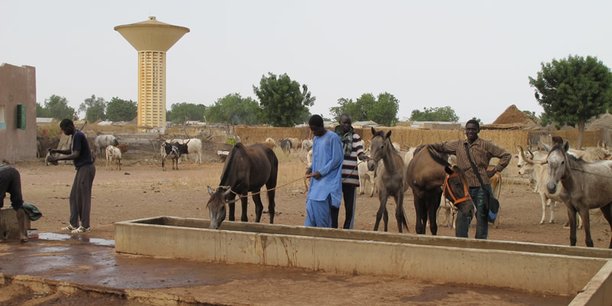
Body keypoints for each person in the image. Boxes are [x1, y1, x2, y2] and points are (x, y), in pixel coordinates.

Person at [430, 119, 511, 239]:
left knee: (482, 216)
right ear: (465, 131)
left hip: (482, 186)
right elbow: (442, 146)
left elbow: (506, 155)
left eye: (473, 129)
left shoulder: (485, 145)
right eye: (468, 129)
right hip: (464, 187)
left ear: (478, 130)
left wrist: (494, 170)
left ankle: (480, 244)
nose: (470, 131)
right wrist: (426, 147)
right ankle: (461, 242)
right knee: (463, 214)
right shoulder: (458, 145)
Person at [47, 119, 96, 234]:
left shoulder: (78, 135)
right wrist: (56, 150)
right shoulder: (74, 136)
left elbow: (75, 154)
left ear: (70, 126)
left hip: (86, 168)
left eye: (64, 129)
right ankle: (74, 224)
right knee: (73, 196)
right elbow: (71, 150)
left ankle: (85, 226)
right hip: (80, 168)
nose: (63, 132)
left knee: (84, 197)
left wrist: (57, 159)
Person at [304, 115, 343, 228]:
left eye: (315, 129)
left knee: (323, 221)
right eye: (312, 129)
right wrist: (311, 168)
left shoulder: (333, 138)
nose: (313, 132)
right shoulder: (315, 139)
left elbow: (336, 159)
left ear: (322, 126)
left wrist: (321, 172)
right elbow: (316, 158)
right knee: (310, 212)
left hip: (328, 183)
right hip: (316, 183)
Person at [333, 114, 367, 229]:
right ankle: (333, 228)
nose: (346, 125)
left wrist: (364, 157)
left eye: (348, 123)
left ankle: (347, 230)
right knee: (334, 205)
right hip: (336, 178)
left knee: (349, 208)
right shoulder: (334, 137)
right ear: (339, 122)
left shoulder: (356, 137)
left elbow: (359, 151)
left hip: (350, 178)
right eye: (344, 122)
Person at [0, 162, 29, 242]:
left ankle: (1, 236)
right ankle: (22, 235)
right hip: (13, 172)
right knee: (18, 204)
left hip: (1, 174)